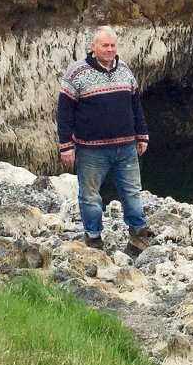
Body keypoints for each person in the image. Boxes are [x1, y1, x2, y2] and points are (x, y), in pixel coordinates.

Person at [56, 25, 152, 252]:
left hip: (126, 146)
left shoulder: (125, 70)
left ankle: (138, 235)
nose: (110, 50)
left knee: (132, 192)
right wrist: (65, 145)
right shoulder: (76, 73)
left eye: (112, 45)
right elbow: (64, 111)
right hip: (91, 149)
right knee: (89, 195)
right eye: (105, 45)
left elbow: (135, 105)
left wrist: (142, 135)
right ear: (93, 47)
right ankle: (93, 237)